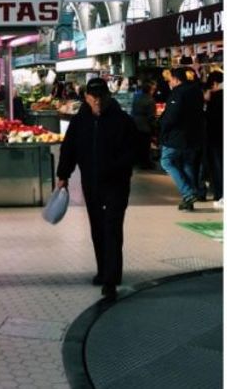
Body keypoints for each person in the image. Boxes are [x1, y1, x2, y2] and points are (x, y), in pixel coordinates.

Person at [55, 78, 136, 301]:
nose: (98, 100)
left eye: (101, 96)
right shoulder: (79, 122)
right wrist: (63, 175)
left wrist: (118, 168)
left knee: (112, 227)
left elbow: (133, 151)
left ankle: (110, 278)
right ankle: (104, 271)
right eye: (94, 96)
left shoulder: (123, 121)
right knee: (98, 228)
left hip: (117, 183)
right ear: (87, 97)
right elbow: (69, 149)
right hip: (91, 184)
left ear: (108, 96)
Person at [159, 67, 205, 211]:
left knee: (166, 161)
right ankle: (189, 199)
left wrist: (163, 129)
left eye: (170, 80)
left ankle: (188, 193)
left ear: (176, 79)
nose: (169, 83)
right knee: (187, 164)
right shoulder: (196, 91)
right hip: (194, 135)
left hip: (177, 136)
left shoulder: (178, 93)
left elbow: (172, 116)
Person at [204, 71, 222, 207]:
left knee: (217, 166)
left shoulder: (213, 97)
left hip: (214, 136)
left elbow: (208, 118)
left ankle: (219, 194)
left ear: (214, 83)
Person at [131, 81, 158, 169]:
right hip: (144, 125)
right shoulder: (150, 100)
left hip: (135, 123)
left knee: (137, 144)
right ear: (150, 90)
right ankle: (145, 163)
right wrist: (154, 127)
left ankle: (137, 161)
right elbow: (151, 116)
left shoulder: (136, 97)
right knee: (145, 145)